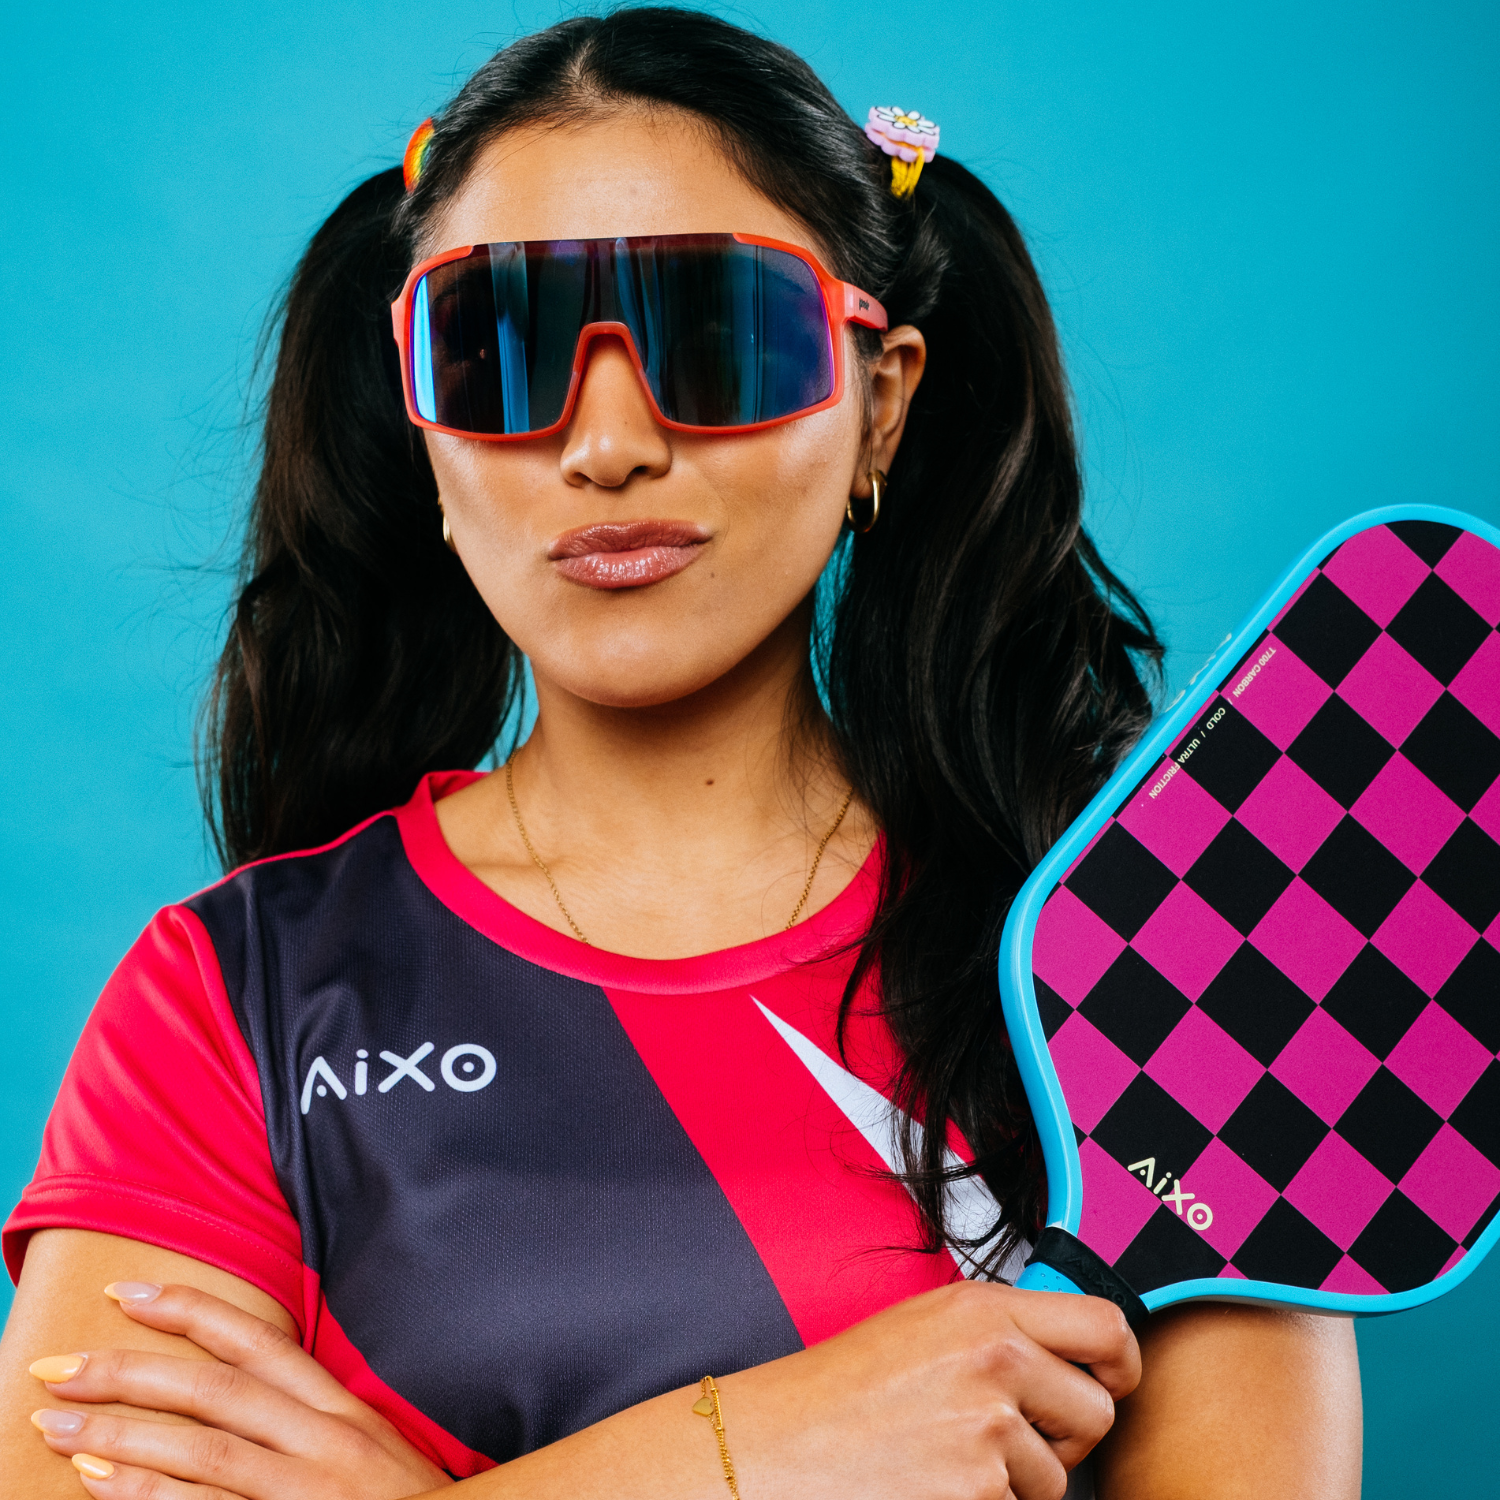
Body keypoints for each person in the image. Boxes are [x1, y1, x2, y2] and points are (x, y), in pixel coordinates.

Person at [0, 10, 1362, 1497]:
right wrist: (767, 1447)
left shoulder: (1168, 958)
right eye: (500, 348)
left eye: (717, 336)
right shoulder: (230, 995)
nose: (607, 445)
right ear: (422, 425)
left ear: (882, 402)